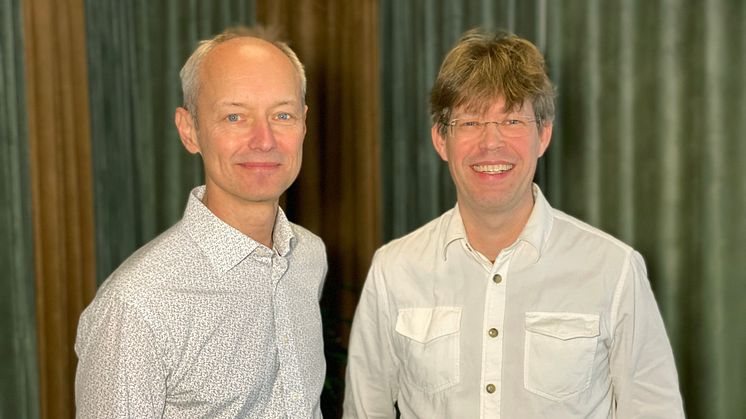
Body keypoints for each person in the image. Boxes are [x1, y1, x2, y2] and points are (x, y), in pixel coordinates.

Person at [343, 28, 685, 418]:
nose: (491, 144)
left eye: (511, 121)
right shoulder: (394, 270)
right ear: (441, 140)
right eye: (470, 123)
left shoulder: (614, 270)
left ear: (543, 135)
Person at [75, 26, 327, 418]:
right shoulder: (137, 304)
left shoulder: (309, 256)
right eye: (234, 116)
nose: (264, 139)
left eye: (282, 114)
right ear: (189, 130)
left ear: (304, 124)